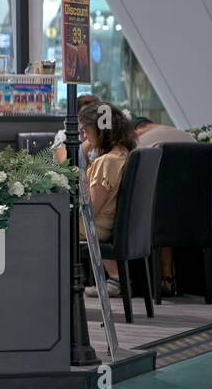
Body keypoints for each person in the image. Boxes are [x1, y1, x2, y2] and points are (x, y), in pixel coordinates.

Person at [132, 116, 197, 296]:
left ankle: (138, 281)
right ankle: (167, 277)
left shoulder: (140, 141)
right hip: (197, 216)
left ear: (137, 129)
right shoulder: (189, 138)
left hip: (158, 216)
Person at [78, 101, 137, 295]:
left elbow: (91, 210)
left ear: (100, 130)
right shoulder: (124, 154)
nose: (84, 137)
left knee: (45, 222)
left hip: (95, 228)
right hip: (109, 226)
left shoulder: (106, 162)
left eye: (86, 131)